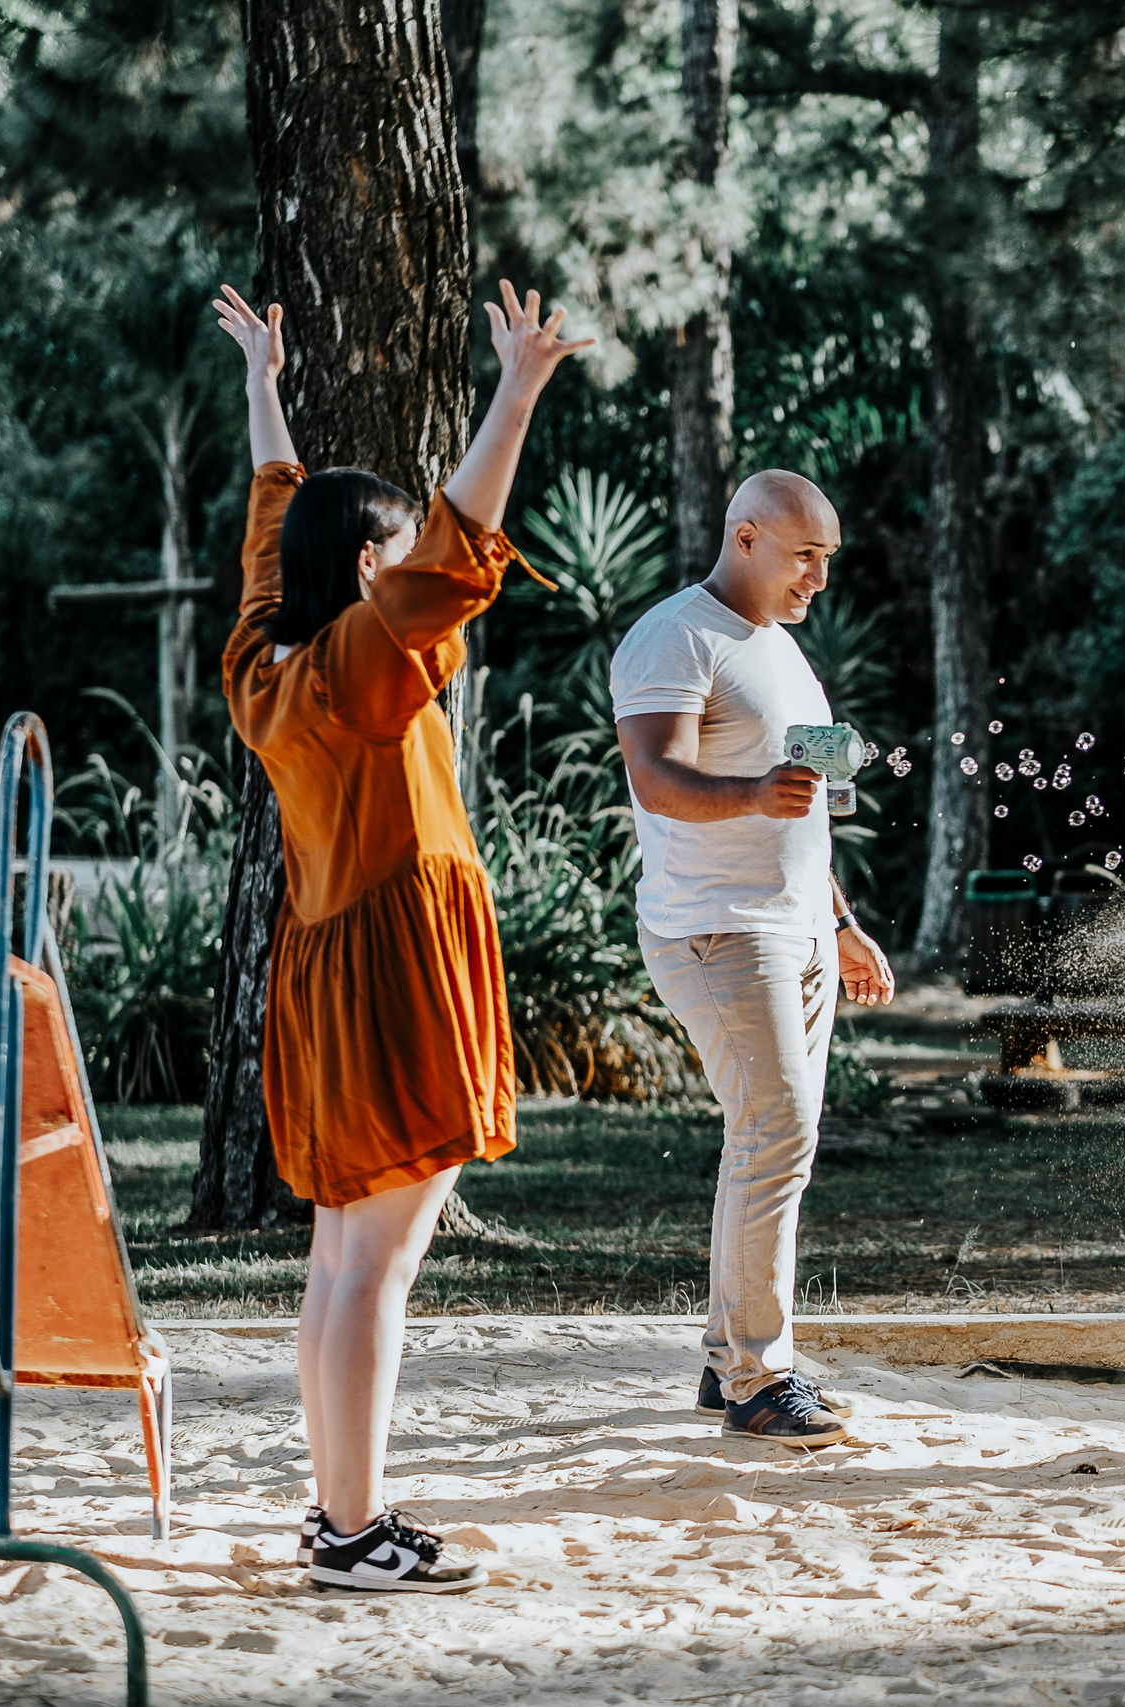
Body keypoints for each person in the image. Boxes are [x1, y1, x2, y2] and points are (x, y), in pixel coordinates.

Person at [215, 280, 592, 1592]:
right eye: (393, 559)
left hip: (327, 982)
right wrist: (521, 386)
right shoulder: (361, 669)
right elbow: (458, 545)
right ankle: (358, 1529)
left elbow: (273, 530)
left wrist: (268, 383)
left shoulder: (266, 666)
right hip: (390, 983)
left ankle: (339, 1512)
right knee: (376, 1264)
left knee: (339, 1257)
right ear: (371, 571)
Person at [611, 470, 896, 1448]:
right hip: (719, 928)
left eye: (828, 559)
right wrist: (748, 795)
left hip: (798, 928)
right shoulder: (675, 636)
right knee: (774, 1135)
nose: (819, 576)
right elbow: (652, 775)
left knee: (770, 1139)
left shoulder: (787, 656)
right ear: (745, 539)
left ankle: (728, 1359)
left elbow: (818, 805)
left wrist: (844, 924)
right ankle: (755, 1379)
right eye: (803, 555)